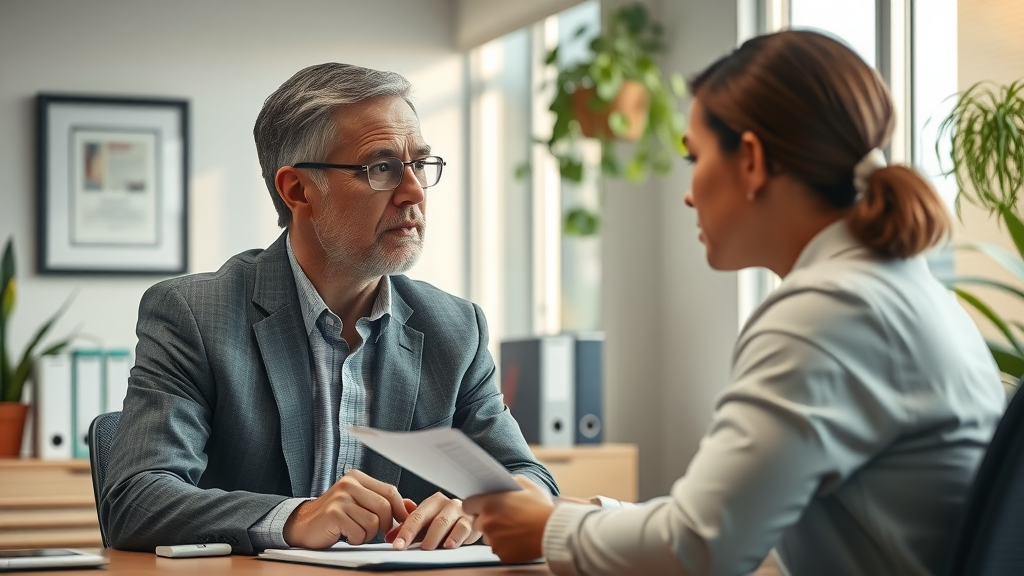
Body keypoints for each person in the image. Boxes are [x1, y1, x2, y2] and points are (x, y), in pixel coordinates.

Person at [464, 30, 1005, 576]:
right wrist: (588, 515)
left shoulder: (828, 310)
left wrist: (547, 528)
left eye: (694, 157)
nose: (689, 192)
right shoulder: (895, 291)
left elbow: (701, 548)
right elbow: (751, 530)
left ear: (750, 159)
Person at [100, 62, 557, 555]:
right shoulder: (194, 313)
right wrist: (295, 517)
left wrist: (482, 507)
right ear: (297, 190)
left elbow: (530, 478)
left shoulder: (455, 328)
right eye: (381, 168)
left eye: (419, 164)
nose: (414, 191)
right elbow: (136, 499)